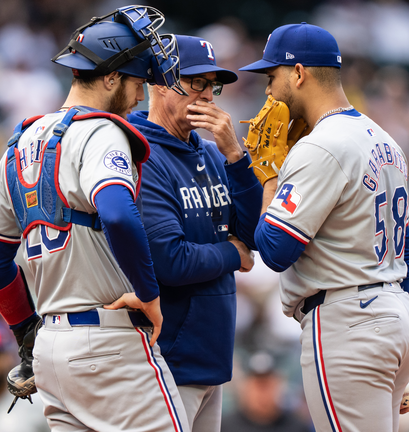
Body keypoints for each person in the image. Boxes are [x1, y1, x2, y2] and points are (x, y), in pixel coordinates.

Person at [0, 6, 191, 432]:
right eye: (135, 80)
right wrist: (149, 294)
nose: (139, 94)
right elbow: (118, 214)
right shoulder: (101, 132)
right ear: (110, 77)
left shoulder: (18, 145)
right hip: (108, 342)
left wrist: (26, 332)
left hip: (51, 353)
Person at [239, 23, 409, 432]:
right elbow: (404, 253)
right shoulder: (384, 139)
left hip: (347, 323)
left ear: (299, 73)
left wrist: (269, 174)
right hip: (395, 314)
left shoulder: (322, 145)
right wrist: (391, 346)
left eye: (272, 77)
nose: (268, 91)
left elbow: (274, 249)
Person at [127, 35, 262, 432]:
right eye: (193, 82)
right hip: (167, 357)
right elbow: (170, 260)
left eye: (211, 85)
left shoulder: (210, 151)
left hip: (211, 354)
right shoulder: (140, 154)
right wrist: (232, 255)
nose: (205, 95)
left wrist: (236, 158)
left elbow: (252, 234)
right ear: (156, 82)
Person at [221, 351, 313, 432]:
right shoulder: (225, 426)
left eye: (267, 385)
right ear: (245, 386)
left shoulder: (297, 427)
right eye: (257, 385)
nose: (262, 393)